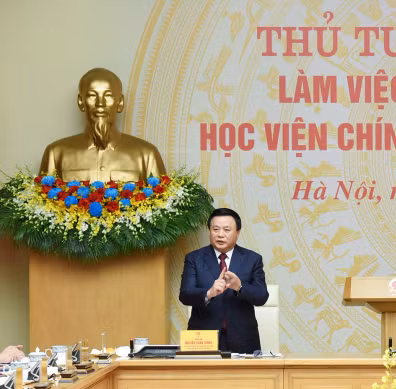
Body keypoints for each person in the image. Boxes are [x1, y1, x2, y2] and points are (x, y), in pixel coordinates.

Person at [40, 68, 166, 183]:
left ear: (120, 103)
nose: (100, 103)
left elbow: (162, 199)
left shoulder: (147, 155)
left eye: (108, 95)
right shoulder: (56, 154)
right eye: (92, 95)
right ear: (81, 102)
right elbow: (42, 198)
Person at [179, 208, 269, 353]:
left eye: (227, 230)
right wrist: (209, 293)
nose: (220, 234)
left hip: (243, 340)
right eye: (215, 229)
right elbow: (185, 295)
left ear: (237, 232)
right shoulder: (194, 258)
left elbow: (261, 297)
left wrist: (240, 287)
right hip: (203, 339)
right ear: (209, 231)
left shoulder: (252, 259)